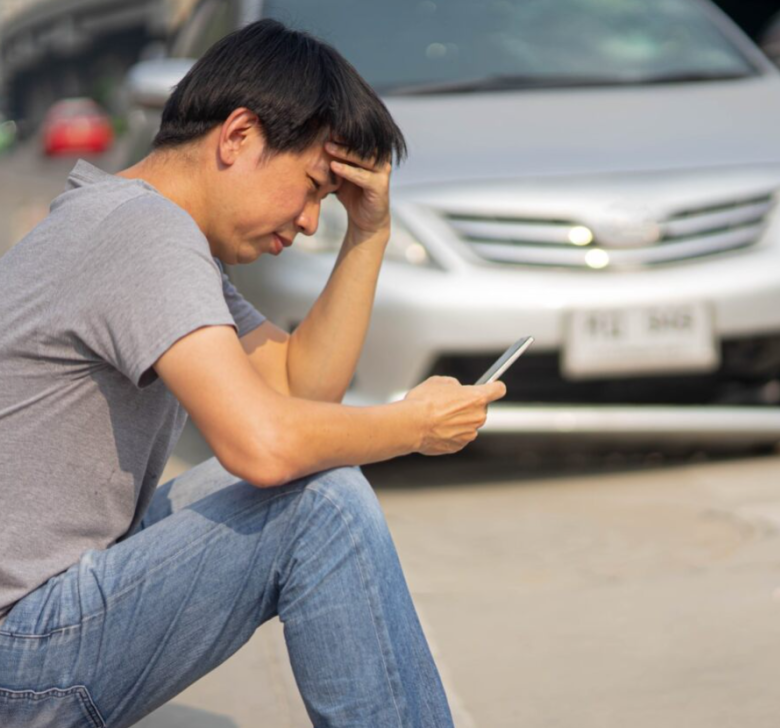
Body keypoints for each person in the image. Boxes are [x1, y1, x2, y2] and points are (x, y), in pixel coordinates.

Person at [0, 19, 504, 728]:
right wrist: (413, 425)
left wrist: (368, 234)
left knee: (314, 477)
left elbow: (299, 389)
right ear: (237, 137)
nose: (306, 222)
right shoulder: (142, 232)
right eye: (308, 188)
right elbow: (262, 447)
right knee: (322, 504)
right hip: (19, 653)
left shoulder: (146, 228)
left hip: (34, 623)